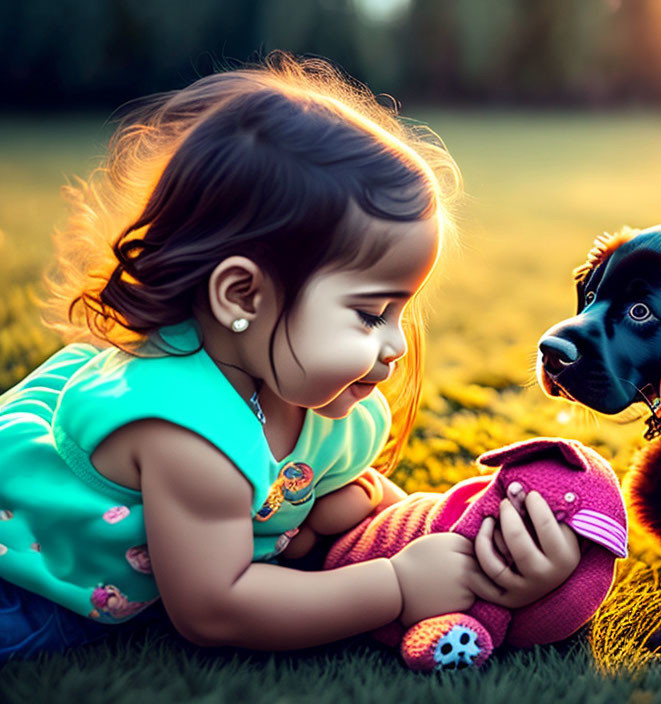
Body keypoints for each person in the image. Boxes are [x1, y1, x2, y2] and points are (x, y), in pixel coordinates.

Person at [0, 52, 580, 661]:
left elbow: (359, 507)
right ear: (242, 295)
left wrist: (486, 540)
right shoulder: (185, 433)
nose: (397, 344)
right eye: (369, 314)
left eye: (400, 312)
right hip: (25, 586)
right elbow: (215, 608)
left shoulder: (306, 391)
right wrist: (398, 585)